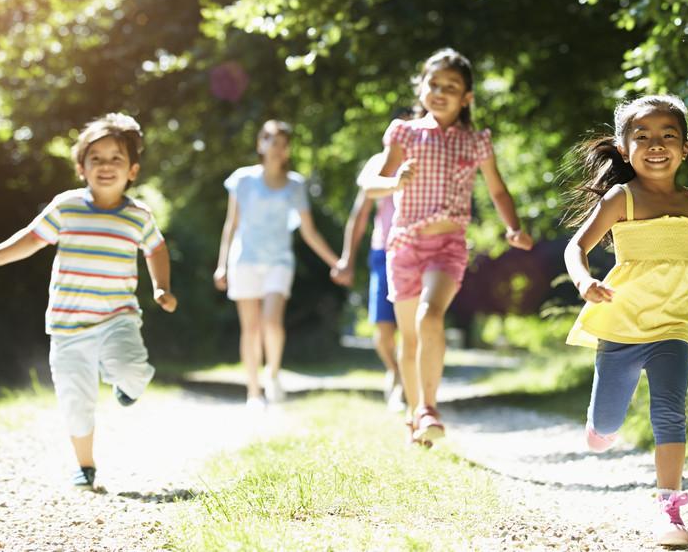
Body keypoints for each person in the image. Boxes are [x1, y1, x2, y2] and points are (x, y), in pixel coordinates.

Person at [563, 94, 688, 546]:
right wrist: (584, 282)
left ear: (685, 148)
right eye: (642, 135)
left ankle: (671, 513)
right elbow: (577, 247)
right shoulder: (621, 198)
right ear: (625, 149)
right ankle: (599, 424)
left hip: (675, 322)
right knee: (607, 425)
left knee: (670, 411)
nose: (655, 144)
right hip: (622, 322)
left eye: (668, 135)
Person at [0, 113, 177, 489]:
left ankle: (126, 384)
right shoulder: (67, 207)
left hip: (118, 317)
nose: (105, 166)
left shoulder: (137, 216)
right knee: (74, 400)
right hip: (68, 326)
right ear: (82, 167)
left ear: (132, 170)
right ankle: (85, 466)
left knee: (132, 369)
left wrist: (161, 287)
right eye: (96, 158)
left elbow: (157, 249)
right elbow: (33, 237)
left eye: (116, 158)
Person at [363, 48, 534, 447]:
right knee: (409, 340)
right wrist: (395, 183)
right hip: (404, 244)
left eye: (451, 87)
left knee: (430, 315)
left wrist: (514, 228)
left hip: (447, 245)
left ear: (467, 97)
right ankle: (414, 415)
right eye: (433, 84)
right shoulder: (404, 133)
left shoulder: (476, 142)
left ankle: (428, 407)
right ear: (421, 87)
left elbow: (497, 189)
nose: (440, 92)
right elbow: (371, 184)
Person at [213, 120, 341, 409]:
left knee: (271, 322)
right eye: (270, 140)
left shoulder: (295, 185)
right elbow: (230, 226)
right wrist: (222, 265)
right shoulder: (242, 180)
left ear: (287, 151)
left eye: (282, 143)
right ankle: (253, 392)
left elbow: (309, 232)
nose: (276, 147)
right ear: (261, 144)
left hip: (279, 262)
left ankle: (272, 373)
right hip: (244, 260)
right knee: (251, 328)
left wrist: (337, 263)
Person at [336, 149, 404, 411]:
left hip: (418, 252)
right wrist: (347, 258)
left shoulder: (428, 154)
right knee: (383, 329)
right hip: (383, 253)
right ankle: (395, 371)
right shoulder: (378, 162)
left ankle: (406, 385)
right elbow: (360, 215)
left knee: (412, 325)